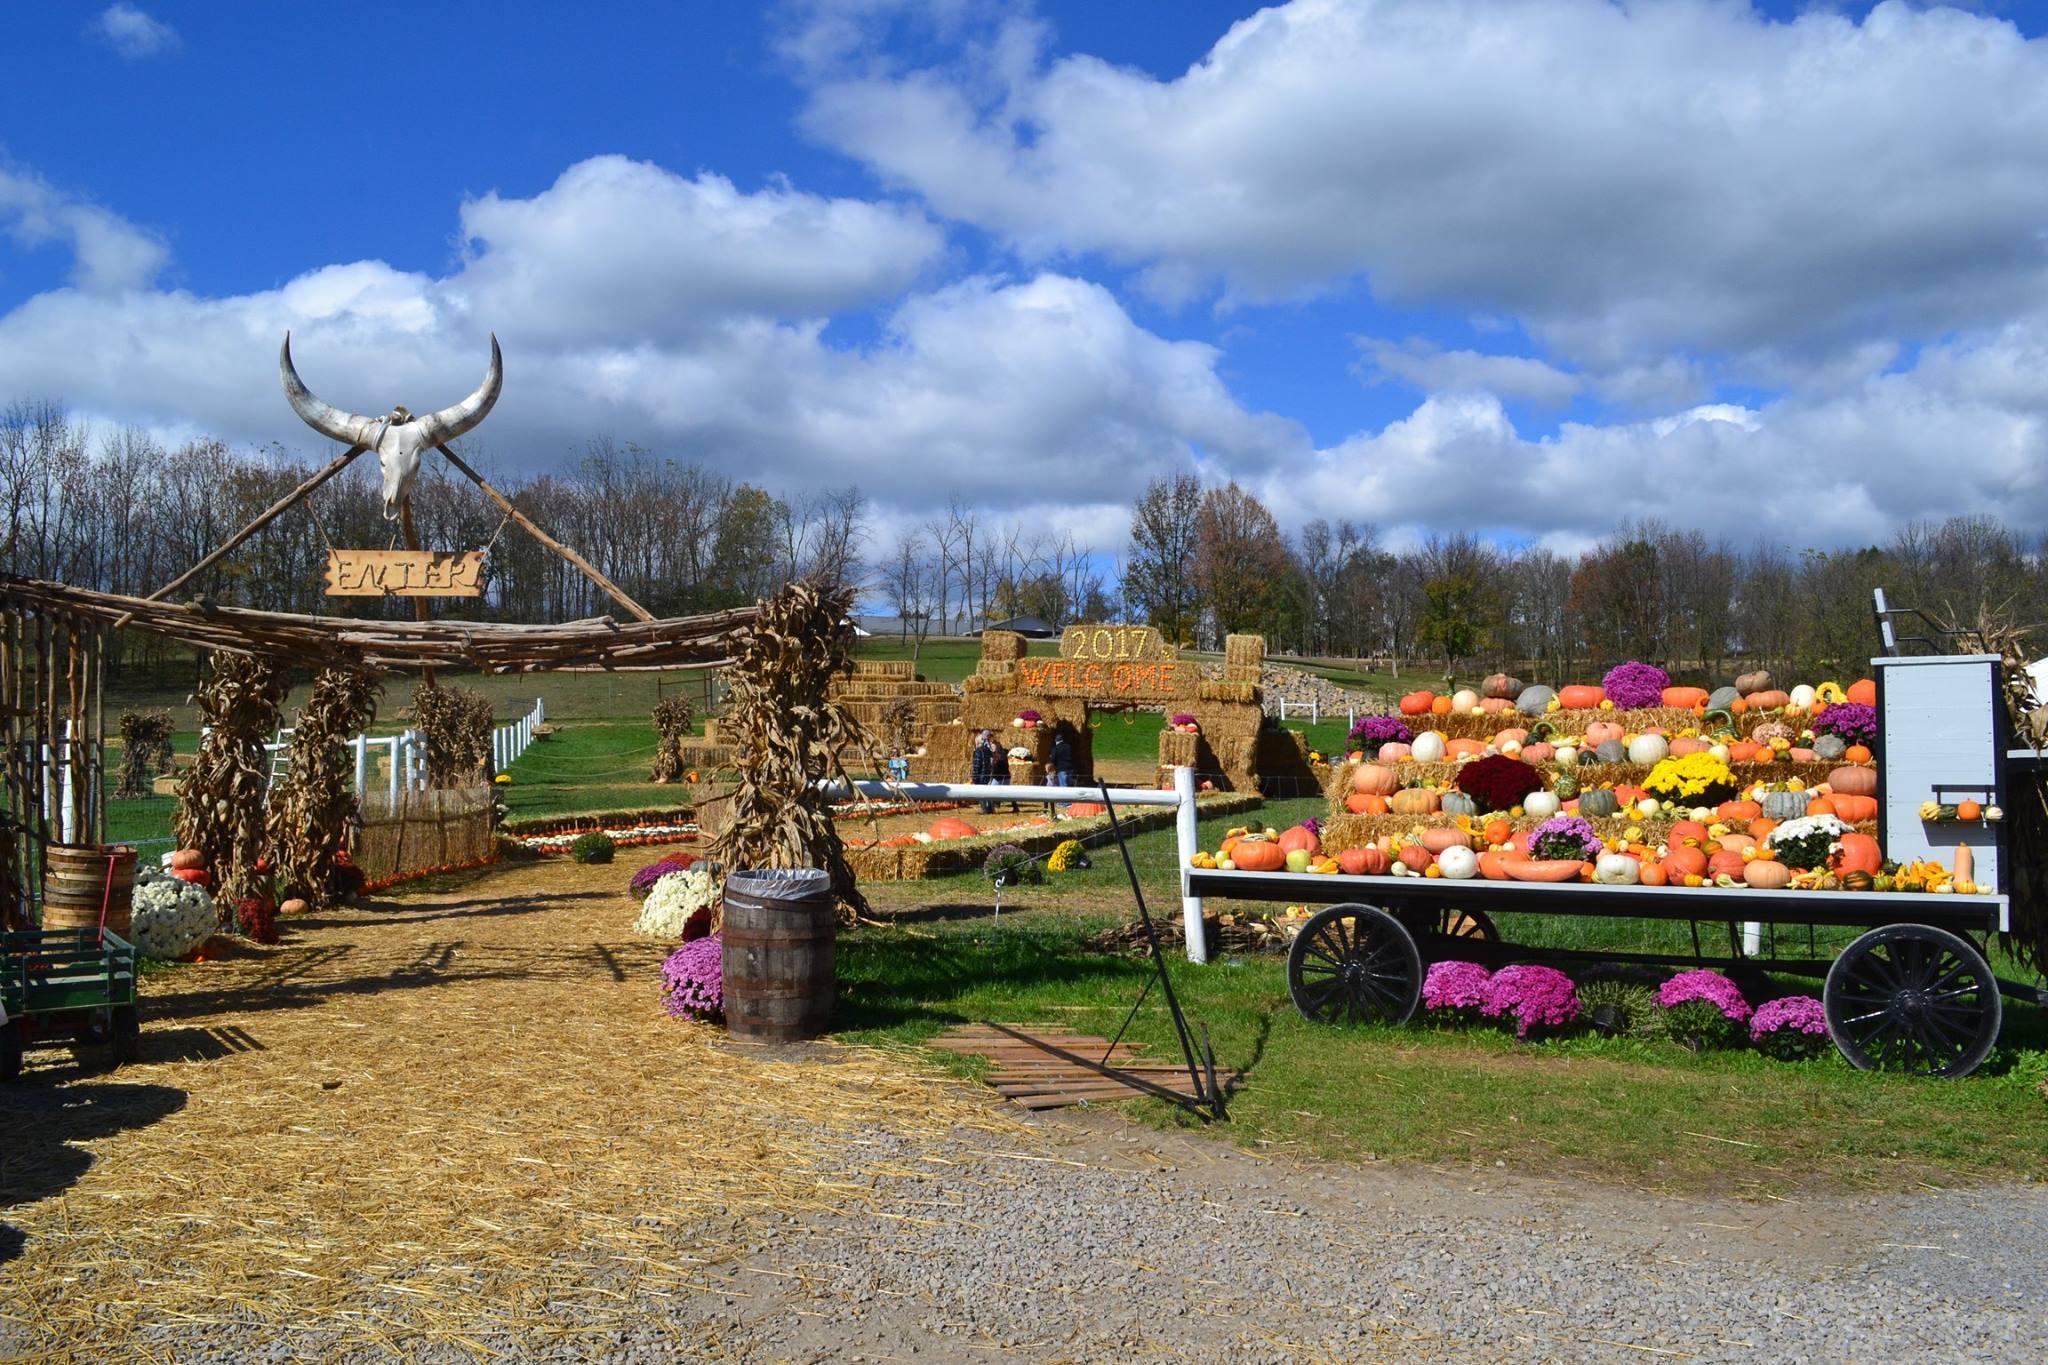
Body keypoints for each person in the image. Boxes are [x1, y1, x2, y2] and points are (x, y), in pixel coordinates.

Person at [970, 728, 1001, 814]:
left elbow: (976, 766)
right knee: (987, 794)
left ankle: (985, 810)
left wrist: (974, 778)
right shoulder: (988, 751)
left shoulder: (978, 752)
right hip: (988, 776)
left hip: (980, 777)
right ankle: (991, 810)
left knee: (980, 795)